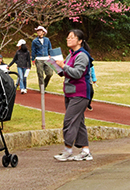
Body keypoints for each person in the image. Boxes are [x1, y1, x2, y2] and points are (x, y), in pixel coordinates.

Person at [53, 29, 94, 161]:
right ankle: (85, 151)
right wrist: (54, 65)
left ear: (80, 41)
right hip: (70, 92)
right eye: (68, 37)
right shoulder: (70, 55)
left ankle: (67, 150)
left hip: (80, 93)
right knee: (79, 122)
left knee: (69, 121)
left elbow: (77, 73)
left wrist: (63, 66)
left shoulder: (82, 55)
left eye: (72, 37)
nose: (68, 39)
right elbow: (64, 73)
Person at [31, 25, 53, 90]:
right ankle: (42, 89)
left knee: (50, 73)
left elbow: (50, 48)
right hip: (39, 59)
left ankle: (44, 85)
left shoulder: (47, 40)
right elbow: (33, 50)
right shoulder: (34, 41)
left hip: (47, 58)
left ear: (43, 32)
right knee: (40, 75)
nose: (39, 32)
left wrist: (50, 55)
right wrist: (33, 59)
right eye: (37, 31)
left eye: (40, 31)